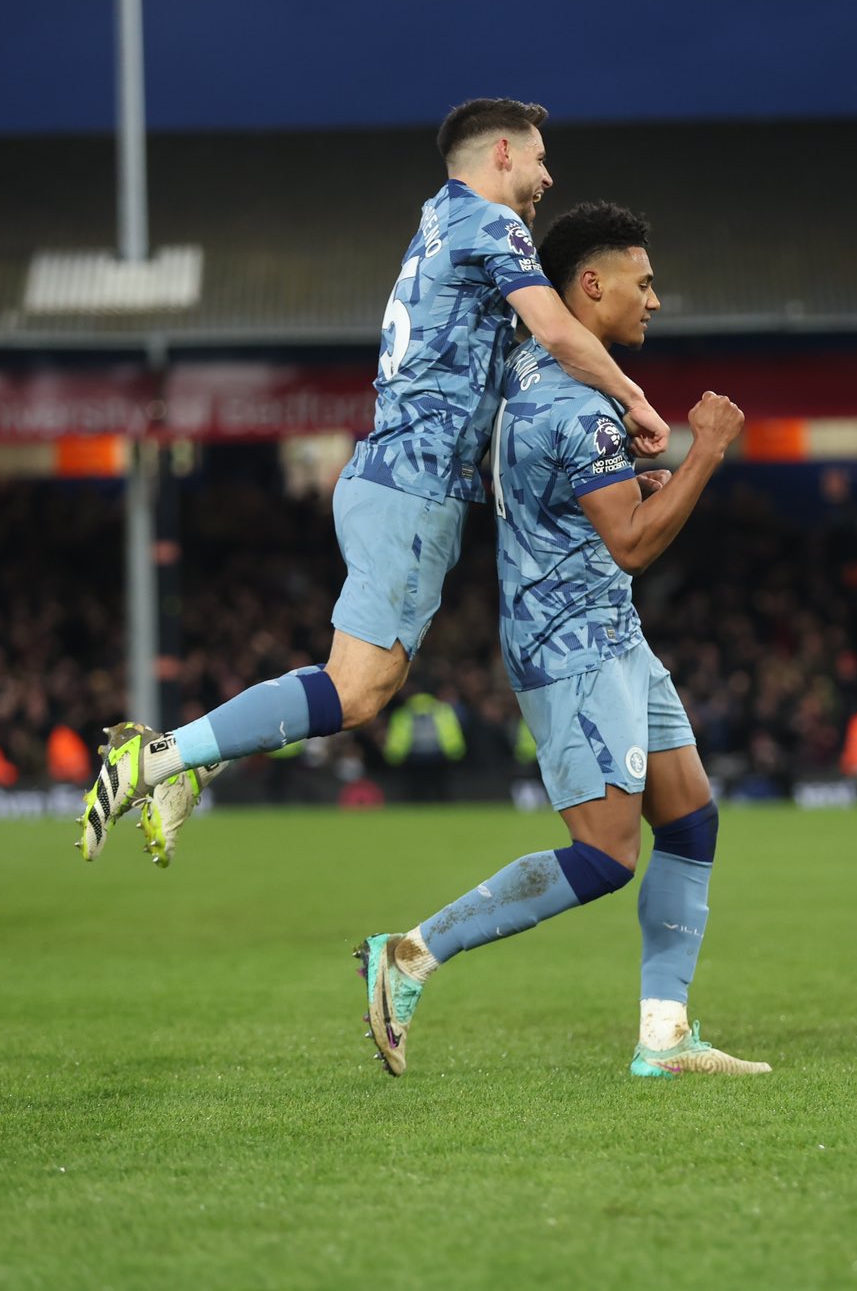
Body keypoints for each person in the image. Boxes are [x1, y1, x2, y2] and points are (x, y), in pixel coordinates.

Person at [75, 99, 672, 864]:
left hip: (390, 476)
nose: (547, 174)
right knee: (357, 692)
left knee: (353, 682)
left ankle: (188, 761)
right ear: (499, 154)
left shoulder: (436, 221)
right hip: (412, 490)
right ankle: (158, 758)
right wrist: (634, 398)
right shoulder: (493, 226)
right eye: (538, 157)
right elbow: (556, 329)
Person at [354, 202, 768, 1080]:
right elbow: (633, 543)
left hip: (611, 631)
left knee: (690, 818)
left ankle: (664, 1037)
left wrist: (638, 477)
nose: (655, 299)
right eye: (642, 282)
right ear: (591, 285)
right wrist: (705, 452)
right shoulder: (580, 407)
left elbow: (583, 509)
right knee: (607, 855)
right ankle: (410, 955)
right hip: (570, 648)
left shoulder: (537, 373)